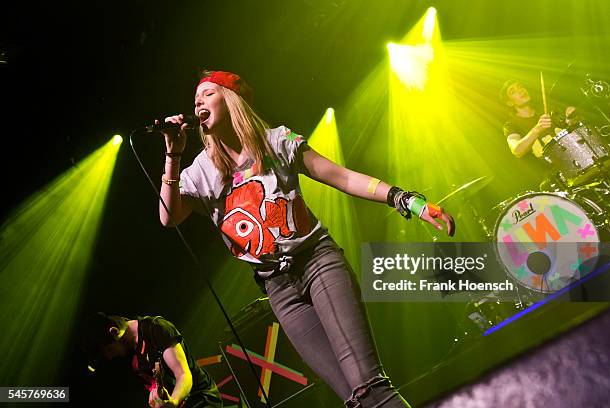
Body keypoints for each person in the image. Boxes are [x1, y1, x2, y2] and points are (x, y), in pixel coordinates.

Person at [157, 70, 455, 407]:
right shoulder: (198, 171)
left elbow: (341, 176)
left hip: (317, 262)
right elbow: (169, 217)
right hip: (279, 290)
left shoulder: (277, 141)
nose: (198, 102)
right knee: (354, 400)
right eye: (196, 99)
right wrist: (173, 155)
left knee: (369, 387)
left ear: (232, 100)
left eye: (208, 94)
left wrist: (407, 200)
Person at [81, 313, 222, 408]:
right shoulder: (131, 355)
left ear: (114, 331)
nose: (110, 357)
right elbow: (155, 383)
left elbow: (184, 375)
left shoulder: (156, 329)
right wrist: (155, 394)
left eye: (109, 350)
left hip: (201, 400)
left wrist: (172, 402)